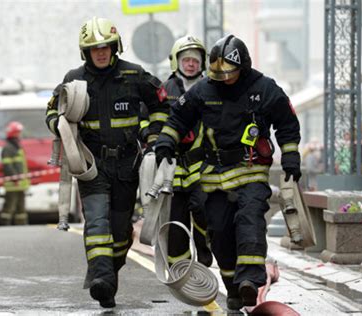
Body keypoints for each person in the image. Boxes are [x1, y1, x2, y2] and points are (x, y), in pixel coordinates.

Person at [154, 35, 301, 311]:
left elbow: (287, 123)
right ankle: (234, 287)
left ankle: (250, 281)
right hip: (213, 177)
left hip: (251, 171)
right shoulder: (203, 90)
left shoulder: (265, 89)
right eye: (218, 74)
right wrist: (165, 142)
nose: (223, 80)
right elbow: (177, 118)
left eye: (229, 74)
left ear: (242, 67)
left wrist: (291, 155)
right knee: (219, 233)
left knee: (249, 222)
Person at [45, 17, 167, 308]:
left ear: (115, 48)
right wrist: (59, 125)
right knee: (97, 222)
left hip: (127, 165)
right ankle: (101, 280)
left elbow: (162, 106)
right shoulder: (74, 80)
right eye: (94, 49)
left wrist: (153, 134)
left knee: (121, 230)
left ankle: (108, 276)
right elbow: (52, 111)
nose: (100, 53)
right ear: (84, 52)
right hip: (92, 165)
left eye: (106, 47)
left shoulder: (135, 76)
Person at [162, 35, 213, 267]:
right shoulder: (165, 90)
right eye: (186, 60)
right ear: (177, 62)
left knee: (204, 210)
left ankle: (204, 252)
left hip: (203, 166)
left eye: (195, 60)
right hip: (172, 167)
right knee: (176, 221)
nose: (191, 64)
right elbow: (152, 119)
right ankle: (179, 269)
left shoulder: (212, 88)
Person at [0, 121, 30, 225]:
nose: (20, 135)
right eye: (19, 133)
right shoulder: (8, 148)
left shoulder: (16, 146)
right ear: (14, 134)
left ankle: (21, 224)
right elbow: (7, 166)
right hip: (13, 184)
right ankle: (5, 224)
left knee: (21, 207)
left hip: (20, 184)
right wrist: (15, 178)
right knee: (9, 205)